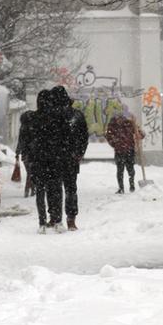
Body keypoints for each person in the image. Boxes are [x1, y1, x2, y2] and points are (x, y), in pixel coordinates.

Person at [29, 89, 70, 233]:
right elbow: (66, 140)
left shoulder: (32, 118)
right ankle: (58, 220)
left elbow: (28, 141)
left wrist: (30, 158)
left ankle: (41, 223)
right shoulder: (59, 118)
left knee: (40, 191)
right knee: (56, 190)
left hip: (38, 160)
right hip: (55, 159)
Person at [51, 86, 88, 230]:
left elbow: (44, 139)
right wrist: (79, 153)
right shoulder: (77, 115)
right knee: (71, 189)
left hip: (53, 159)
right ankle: (71, 219)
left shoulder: (50, 116)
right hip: (71, 159)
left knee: (55, 189)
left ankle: (55, 218)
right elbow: (84, 137)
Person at [105, 110, 144, 194]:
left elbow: (141, 135)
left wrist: (139, 133)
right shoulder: (112, 125)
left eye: (121, 118)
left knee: (130, 169)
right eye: (118, 118)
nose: (120, 120)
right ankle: (121, 188)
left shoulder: (130, 124)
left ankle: (132, 185)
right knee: (120, 170)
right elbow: (108, 137)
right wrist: (115, 144)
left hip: (129, 150)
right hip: (119, 151)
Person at [16, 109, 36, 198]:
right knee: (32, 172)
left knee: (29, 172)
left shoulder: (23, 127)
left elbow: (20, 141)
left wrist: (17, 152)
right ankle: (30, 189)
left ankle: (29, 190)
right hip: (34, 153)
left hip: (25, 154)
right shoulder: (35, 127)